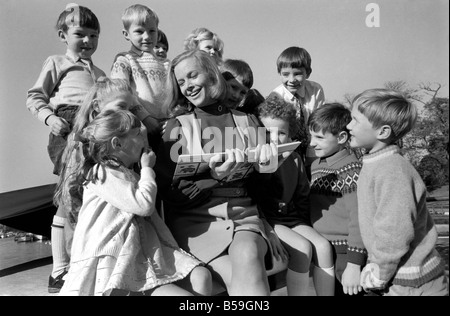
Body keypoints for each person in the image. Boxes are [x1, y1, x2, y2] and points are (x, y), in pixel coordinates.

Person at [155, 50, 280, 296]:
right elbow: (169, 195)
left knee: (247, 253)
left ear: (211, 74)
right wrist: (214, 178)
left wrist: (267, 167)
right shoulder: (176, 127)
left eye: (192, 76)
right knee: (243, 283)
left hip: (244, 219)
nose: (187, 86)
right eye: (181, 82)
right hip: (195, 225)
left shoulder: (249, 121)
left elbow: (264, 191)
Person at [59, 109, 212, 296]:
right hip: (113, 260)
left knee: (201, 276)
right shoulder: (103, 172)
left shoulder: (128, 174)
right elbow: (144, 205)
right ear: (118, 143)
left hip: (140, 254)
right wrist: (148, 169)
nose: (145, 140)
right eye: (139, 134)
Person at [26, 3, 105, 293]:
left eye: (94, 35)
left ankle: (83, 262)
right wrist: (51, 118)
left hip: (94, 131)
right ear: (63, 34)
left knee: (90, 195)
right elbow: (34, 97)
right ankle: (59, 270)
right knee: (68, 194)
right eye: (80, 34)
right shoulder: (57, 62)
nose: (88, 41)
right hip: (68, 127)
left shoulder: (99, 72)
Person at [346, 88, 448, 296]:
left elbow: (394, 229)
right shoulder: (375, 163)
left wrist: (380, 271)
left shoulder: (392, 169)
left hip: (412, 282)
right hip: (398, 277)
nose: (348, 126)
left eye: (355, 120)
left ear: (382, 132)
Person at [54, 77, 145, 264]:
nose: (127, 113)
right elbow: (72, 201)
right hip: (89, 234)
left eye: (131, 109)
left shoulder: (124, 139)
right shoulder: (84, 144)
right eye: (121, 106)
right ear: (97, 106)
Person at [250, 94, 335, 296]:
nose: (273, 138)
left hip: (292, 218)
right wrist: (266, 227)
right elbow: (253, 198)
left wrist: (306, 224)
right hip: (269, 220)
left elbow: (302, 196)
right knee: (302, 248)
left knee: (323, 247)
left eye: (281, 133)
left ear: (290, 134)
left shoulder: (295, 159)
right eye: (267, 132)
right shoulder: (256, 160)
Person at [308, 103, 367, 296]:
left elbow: (359, 220)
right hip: (323, 249)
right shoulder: (316, 164)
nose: (312, 143)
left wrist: (354, 265)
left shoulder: (351, 170)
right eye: (311, 136)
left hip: (345, 253)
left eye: (319, 137)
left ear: (342, 137)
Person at [110, 4, 177, 150]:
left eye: (152, 31)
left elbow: (175, 93)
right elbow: (121, 93)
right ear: (126, 34)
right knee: (145, 165)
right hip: (139, 126)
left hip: (168, 126)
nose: (147, 36)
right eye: (139, 31)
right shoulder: (125, 60)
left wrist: (173, 120)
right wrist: (145, 118)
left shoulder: (166, 64)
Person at [270, 46, 325, 177]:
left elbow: (318, 124)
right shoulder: (276, 96)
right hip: (288, 147)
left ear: (308, 73)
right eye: (285, 74)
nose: (291, 80)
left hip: (312, 143)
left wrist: (312, 154)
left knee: (315, 175)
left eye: (297, 74)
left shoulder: (315, 90)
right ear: (279, 73)